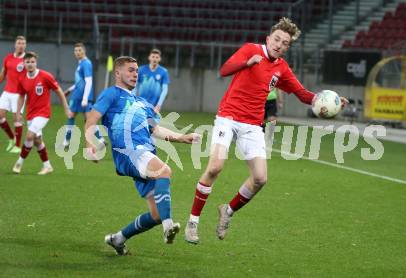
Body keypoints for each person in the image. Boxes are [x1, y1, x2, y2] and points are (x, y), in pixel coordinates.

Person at [184, 17, 348, 244]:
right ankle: (193, 222)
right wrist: (246, 63)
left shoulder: (281, 68)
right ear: (268, 38)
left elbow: (302, 94)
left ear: (287, 47)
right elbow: (224, 70)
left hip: (252, 125)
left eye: (285, 43)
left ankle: (227, 211)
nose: (279, 44)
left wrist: (330, 101)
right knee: (215, 167)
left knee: (260, 178)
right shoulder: (251, 50)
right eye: (277, 39)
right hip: (228, 117)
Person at [84, 56, 199, 255]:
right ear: (118, 73)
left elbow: (155, 129)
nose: (135, 74)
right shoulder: (111, 94)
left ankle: (118, 238)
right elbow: (92, 118)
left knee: (155, 214)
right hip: (128, 152)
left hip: (144, 153)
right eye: (130, 70)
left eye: (137, 70)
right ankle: (168, 226)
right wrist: (89, 144)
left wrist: (182, 138)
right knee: (164, 171)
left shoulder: (141, 102)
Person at [12, 51, 72, 175]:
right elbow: (21, 96)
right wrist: (18, 113)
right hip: (30, 115)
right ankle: (47, 166)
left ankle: (19, 163)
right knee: (37, 140)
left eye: (32, 62)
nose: (30, 64)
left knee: (29, 136)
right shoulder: (22, 78)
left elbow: (59, 91)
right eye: (27, 62)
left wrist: (66, 107)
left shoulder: (45, 76)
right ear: (23, 63)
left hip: (43, 113)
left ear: (36, 63)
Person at [63, 42, 103, 148]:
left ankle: (66, 141)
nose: (77, 52)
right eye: (76, 50)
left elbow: (89, 81)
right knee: (76, 116)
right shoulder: (81, 63)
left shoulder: (86, 63)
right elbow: (80, 82)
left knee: (86, 118)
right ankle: (100, 139)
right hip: (77, 95)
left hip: (82, 97)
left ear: (84, 51)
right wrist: (70, 90)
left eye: (79, 50)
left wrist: (85, 98)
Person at [0, 35, 27, 153]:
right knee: (0, 115)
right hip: (7, 92)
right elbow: (3, 74)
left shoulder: (27, 59)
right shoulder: (8, 58)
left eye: (23, 43)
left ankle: (17, 146)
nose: (21, 45)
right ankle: (11, 138)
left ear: (25, 45)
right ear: (15, 45)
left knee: (17, 118)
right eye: (19, 43)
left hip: (19, 94)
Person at [135, 48, 170, 113]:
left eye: (157, 57)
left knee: (152, 123)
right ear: (149, 58)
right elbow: (134, 86)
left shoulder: (164, 72)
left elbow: (165, 90)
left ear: (160, 59)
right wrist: (134, 100)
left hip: (154, 106)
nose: (154, 59)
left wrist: (159, 105)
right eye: (153, 57)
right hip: (141, 104)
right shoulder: (141, 70)